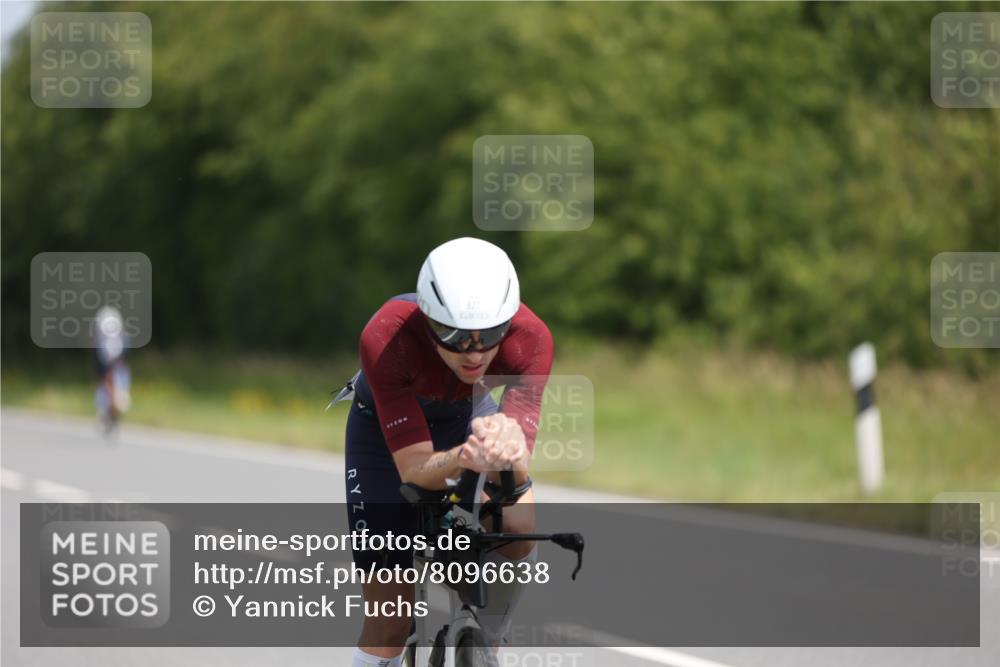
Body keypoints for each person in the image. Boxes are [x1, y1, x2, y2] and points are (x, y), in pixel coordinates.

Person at [338, 237, 553, 667]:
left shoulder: (531, 339)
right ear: (427, 317)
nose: (473, 352)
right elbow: (414, 469)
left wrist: (503, 446)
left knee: (518, 523)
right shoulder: (387, 335)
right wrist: (463, 458)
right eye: (453, 336)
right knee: (390, 622)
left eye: (489, 335)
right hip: (383, 434)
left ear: (508, 321)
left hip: (466, 415)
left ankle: (490, 638)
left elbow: (516, 470)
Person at [93, 305, 131, 435]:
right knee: (108, 385)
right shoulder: (114, 332)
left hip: (108, 358)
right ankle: (109, 411)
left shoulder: (108, 332)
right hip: (107, 357)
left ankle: (111, 411)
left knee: (110, 385)